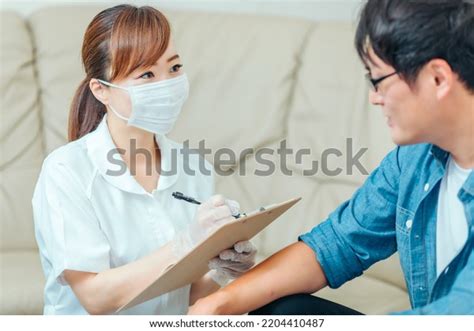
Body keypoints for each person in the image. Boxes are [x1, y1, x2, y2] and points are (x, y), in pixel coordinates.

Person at [188, 0, 474, 315]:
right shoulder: (414, 159)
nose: (373, 98)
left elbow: (458, 312)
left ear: (438, 78)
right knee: (280, 308)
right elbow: (336, 244)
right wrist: (216, 304)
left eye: (378, 80)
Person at [32, 4, 256, 315]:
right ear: (101, 90)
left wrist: (221, 270)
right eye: (147, 74)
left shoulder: (193, 166)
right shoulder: (66, 171)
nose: (166, 84)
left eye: (174, 68)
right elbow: (95, 297)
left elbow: (185, 294)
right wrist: (185, 244)